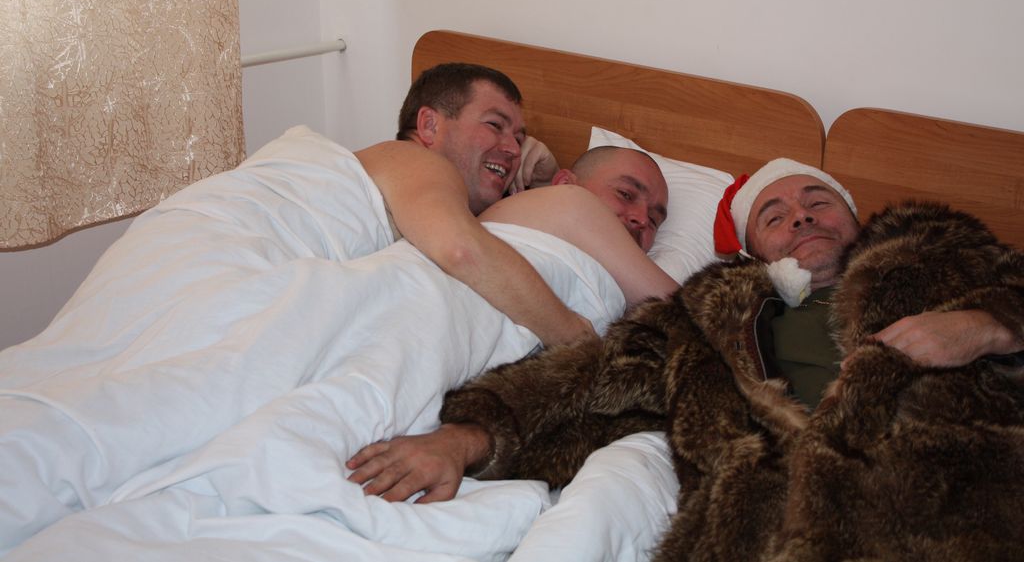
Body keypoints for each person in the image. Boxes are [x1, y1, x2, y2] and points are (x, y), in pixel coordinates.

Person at [0, 144, 677, 556]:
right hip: (434, 304)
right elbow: (677, 308)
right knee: (315, 405)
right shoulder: (570, 212)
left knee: (263, 412)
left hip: (441, 316)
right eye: (629, 194)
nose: (640, 219)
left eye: (657, 218)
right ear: (566, 183)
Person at [346, 157, 1024, 512]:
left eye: (817, 202)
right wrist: (464, 438)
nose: (799, 218)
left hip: (958, 496)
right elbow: (593, 379)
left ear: (855, 215)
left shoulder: (942, 258)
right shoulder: (709, 317)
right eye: (774, 216)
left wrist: (987, 325)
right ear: (756, 252)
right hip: (770, 519)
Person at [356, 62, 597, 348]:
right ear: (429, 126)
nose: (514, 149)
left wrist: (544, 185)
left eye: (519, 139)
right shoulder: (412, 159)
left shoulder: (404, 189)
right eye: (494, 125)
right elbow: (463, 251)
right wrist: (580, 339)